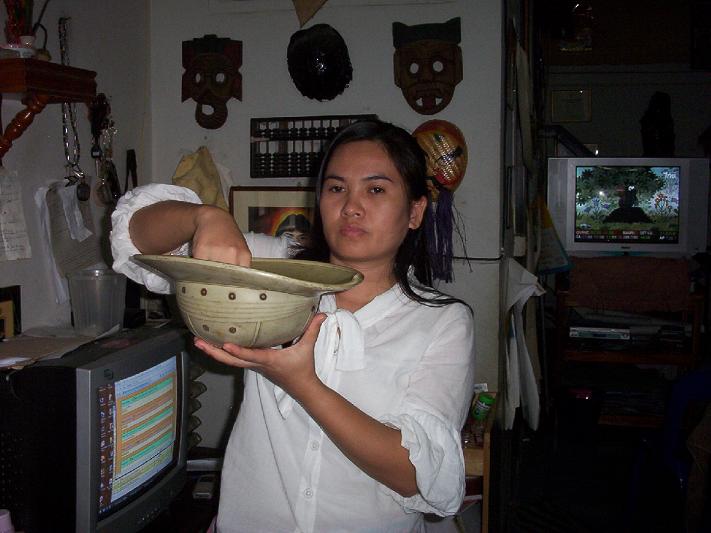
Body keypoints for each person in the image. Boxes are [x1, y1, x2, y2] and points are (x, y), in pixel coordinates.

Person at [110, 119, 475, 532]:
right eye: (336, 188)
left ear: (415, 211)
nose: (351, 207)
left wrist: (303, 384)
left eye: (375, 190)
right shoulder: (271, 270)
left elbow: (416, 474)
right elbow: (135, 235)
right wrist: (205, 218)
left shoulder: (442, 321)